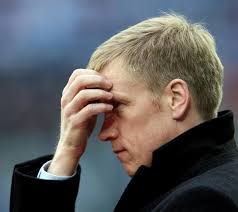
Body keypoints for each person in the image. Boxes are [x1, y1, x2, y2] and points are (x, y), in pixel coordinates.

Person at [10, 13, 238, 212]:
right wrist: (66, 152)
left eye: (117, 107)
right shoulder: (199, 186)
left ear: (176, 98)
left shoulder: (202, 201)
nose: (103, 133)